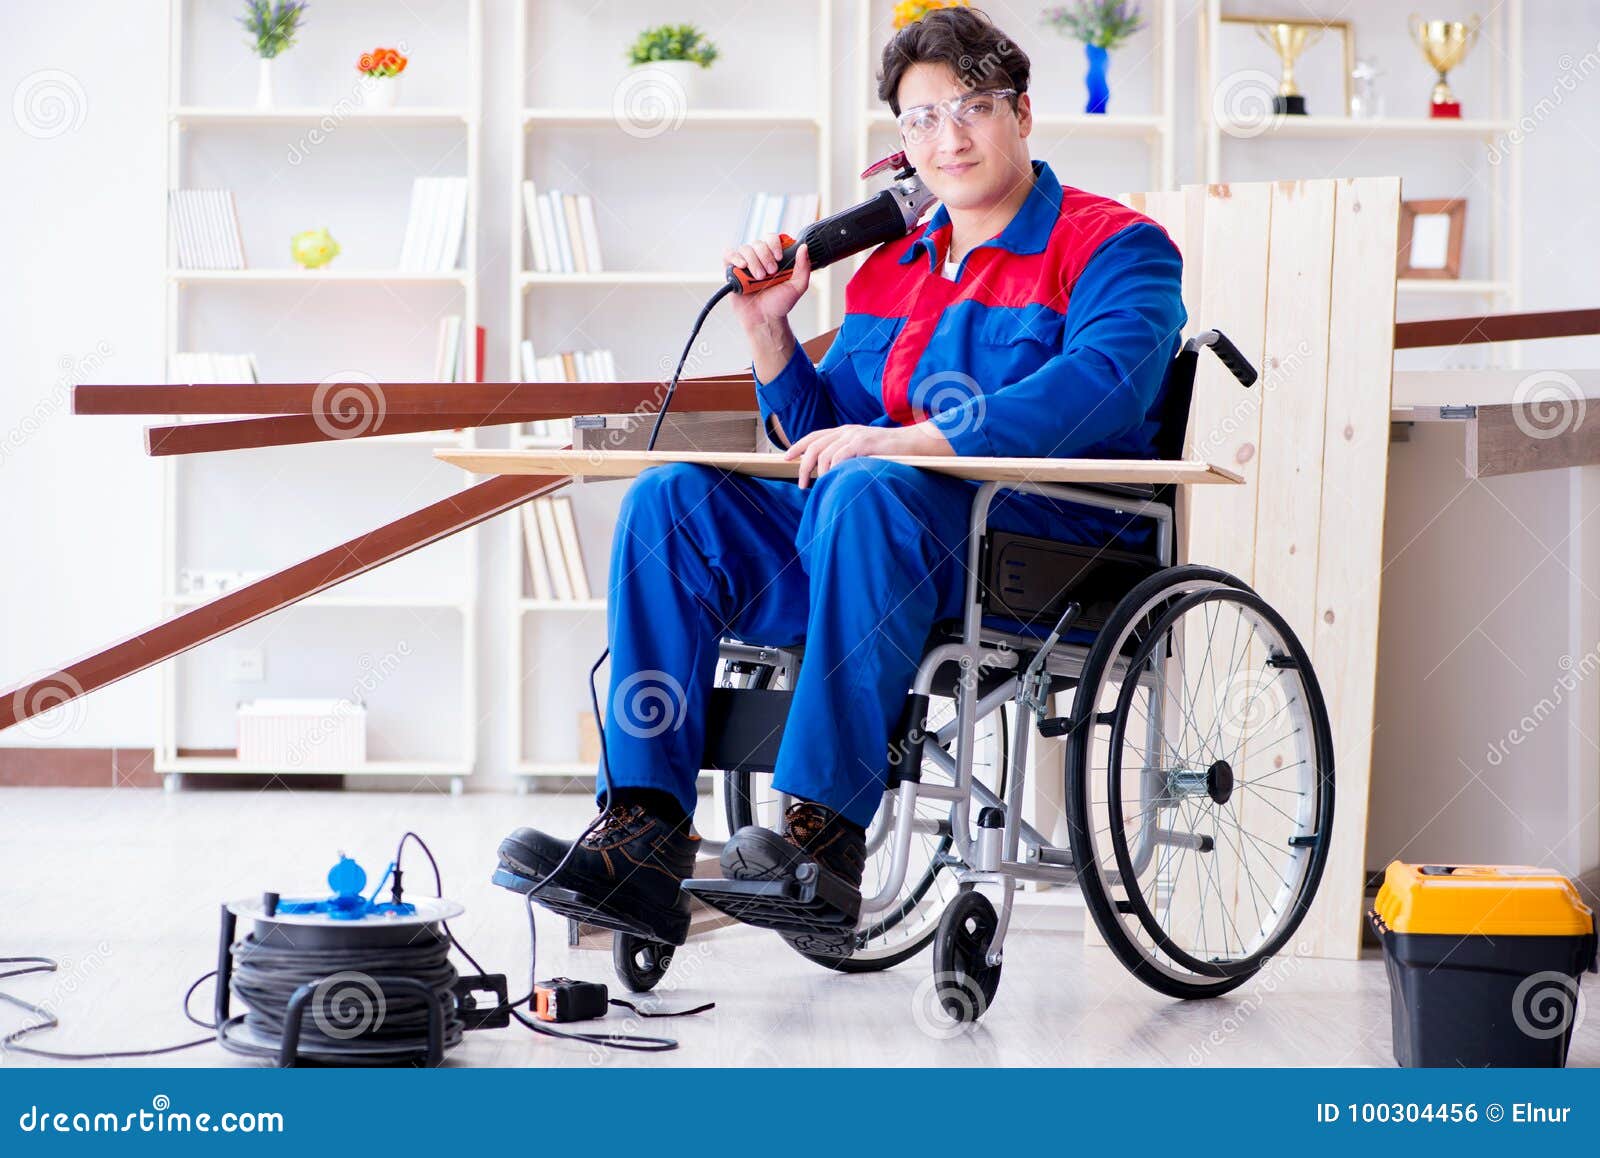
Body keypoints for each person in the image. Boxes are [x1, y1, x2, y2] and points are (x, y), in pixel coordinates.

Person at [497, 6, 1186, 949]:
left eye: (972, 108)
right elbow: (823, 444)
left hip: (1035, 548)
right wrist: (770, 331)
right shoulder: (892, 271)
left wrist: (908, 443)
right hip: (874, 545)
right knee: (671, 500)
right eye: (920, 119)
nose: (946, 138)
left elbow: (1100, 389)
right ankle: (644, 838)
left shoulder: (1118, 245)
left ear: (1022, 115)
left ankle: (822, 842)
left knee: (867, 491)